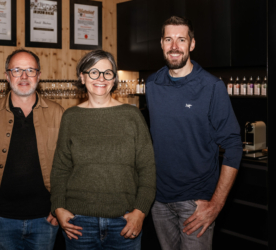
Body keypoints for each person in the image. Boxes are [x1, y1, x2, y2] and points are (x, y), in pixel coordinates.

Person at [146, 16, 242, 250]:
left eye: (181, 39)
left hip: (196, 202)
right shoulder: (152, 84)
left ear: (192, 44)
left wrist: (216, 204)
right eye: (168, 39)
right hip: (158, 200)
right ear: (161, 43)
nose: (174, 46)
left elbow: (233, 146)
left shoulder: (211, 87)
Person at [50, 50, 156, 250]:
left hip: (125, 222)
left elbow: (148, 169)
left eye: (107, 73)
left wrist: (140, 212)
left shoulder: (132, 116)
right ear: (82, 76)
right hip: (79, 224)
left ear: (114, 79)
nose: (101, 78)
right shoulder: (70, 117)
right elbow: (60, 168)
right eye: (94, 72)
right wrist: (58, 208)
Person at [0, 49, 64, 250]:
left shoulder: (58, 113)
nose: (24, 76)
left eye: (30, 70)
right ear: (7, 76)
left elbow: (68, 166)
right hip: (0, 218)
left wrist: (58, 210)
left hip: (46, 219)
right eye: (17, 70)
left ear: (39, 75)